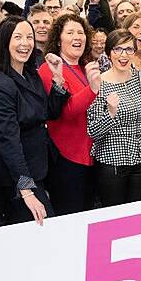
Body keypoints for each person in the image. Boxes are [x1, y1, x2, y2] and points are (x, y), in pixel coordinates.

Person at [0, 16, 68, 226]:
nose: (25, 43)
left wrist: (58, 80)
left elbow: (48, 113)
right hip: (17, 179)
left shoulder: (30, 74)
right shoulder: (0, 85)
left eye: (29, 37)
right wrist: (26, 189)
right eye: (18, 37)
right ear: (5, 42)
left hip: (39, 167)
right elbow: (7, 139)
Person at [40, 14, 100, 215]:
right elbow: (65, 112)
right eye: (70, 32)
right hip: (67, 158)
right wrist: (92, 89)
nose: (78, 37)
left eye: (81, 32)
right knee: (69, 218)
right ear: (58, 39)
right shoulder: (49, 70)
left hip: (90, 156)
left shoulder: (85, 67)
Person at [88, 29, 141, 205]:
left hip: (140, 159)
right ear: (109, 52)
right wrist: (110, 113)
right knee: (115, 220)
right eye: (117, 49)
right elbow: (93, 131)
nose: (123, 55)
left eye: (129, 49)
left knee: (137, 215)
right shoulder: (99, 83)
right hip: (112, 164)